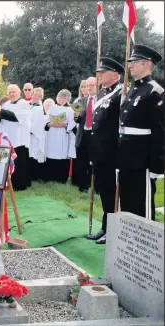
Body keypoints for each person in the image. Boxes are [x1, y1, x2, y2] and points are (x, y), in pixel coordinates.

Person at [117, 44, 164, 221]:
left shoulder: (154, 91)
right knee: (127, 203)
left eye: (135, 62)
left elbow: (159, 133)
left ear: (147, 64)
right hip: (126, 156)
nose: (130, 65)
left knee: (142, 208)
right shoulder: (133, 90)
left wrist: (156, 167)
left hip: (142, 160)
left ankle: (145, 246)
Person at [86, 57, 124, 245]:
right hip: (99, 152)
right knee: (104, 193)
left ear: (115, 74)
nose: (99, 75)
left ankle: (113, 231)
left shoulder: (120, 93)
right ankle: (105, 227)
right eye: (98, 72)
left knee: (112, 193)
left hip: (112, 153)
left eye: (103, 72)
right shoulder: (102, 93)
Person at [0, 84, 32, 191]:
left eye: (14, 92)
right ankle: (8, 182)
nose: (12, 94)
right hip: (6, 137)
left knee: (18, 162)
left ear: (19, 92)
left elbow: (16, 117)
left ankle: (20, 185)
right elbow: (1, 118)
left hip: (18, 138)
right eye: (10, 92)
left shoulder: (25, 104)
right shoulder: (6, 104)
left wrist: (1, 111)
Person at [42, 89, 76, 183]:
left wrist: (65, 125)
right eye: (60, 97)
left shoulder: (71, 109)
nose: (62, 99)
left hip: (63, 136)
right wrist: (50, 124)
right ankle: (49, 177)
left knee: (62, 155)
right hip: (52, 134)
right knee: (51, 153)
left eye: (64, 97)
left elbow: (73, 123)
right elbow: (45, 122)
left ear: (68, 99)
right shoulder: (52, 108)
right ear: (57, 98)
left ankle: (61, 178)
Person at [73, 77, 97, 192]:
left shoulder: (101, 100)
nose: (89, 88)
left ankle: (96, 186)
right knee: (82, 162)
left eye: (92, 85)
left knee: (95, 162)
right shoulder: (80, 101)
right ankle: (83, 186)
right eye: (88, 85)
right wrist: (76, 116)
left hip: (96, 136)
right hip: (83, 135)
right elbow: (77, 120)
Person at [28, 88, 46, 181]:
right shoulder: (27, 105)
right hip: (26, 134)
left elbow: (38, 122)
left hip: (35, 134)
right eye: (35, 95)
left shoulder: (40, 108)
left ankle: (34, 176)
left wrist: (30, 130)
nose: (36, 97)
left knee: (34, 153)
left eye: (39, 96)